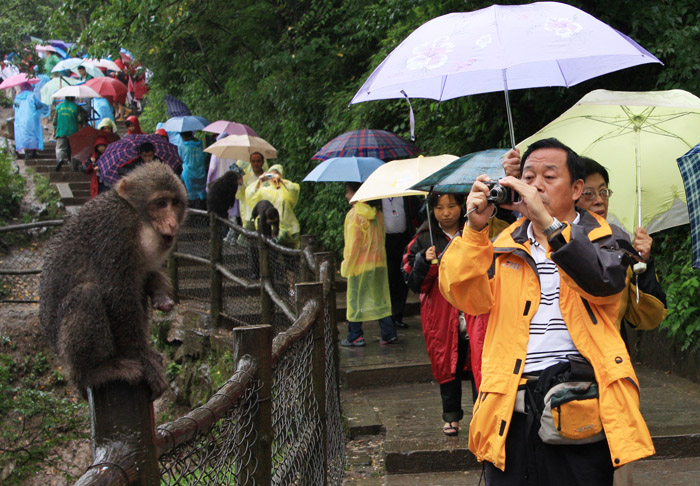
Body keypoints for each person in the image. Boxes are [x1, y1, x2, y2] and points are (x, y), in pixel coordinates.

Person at [439, 138, 654, 485]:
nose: (535, 185)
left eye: (549, 176)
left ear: (576, 189)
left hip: (581, 404)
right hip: (510, 408)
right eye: (528, 175)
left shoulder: (607, 238)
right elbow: (464, 296)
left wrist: (549, 226)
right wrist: (475, 229)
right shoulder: (503, 244)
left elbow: (605, 283)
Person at [402, 192, 475, 436]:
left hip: (474, 308)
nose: (446, 212)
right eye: (440, 207)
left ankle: (483, 415)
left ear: (461, 206)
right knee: (447, 364)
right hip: (441, 313)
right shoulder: (423, 239)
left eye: (452, 206)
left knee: (479, 364)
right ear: (432, 210)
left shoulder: (475, 231)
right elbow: (413, 283)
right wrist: (424, 260)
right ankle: (451, 417)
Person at [341, 182, 397, 347]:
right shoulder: (378, 213)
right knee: (380, 298)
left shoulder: (354, 215)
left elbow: (354, 244)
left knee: (355, 300)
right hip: (378, 263)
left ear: (357, 193)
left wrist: (346, 265)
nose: (346, 195)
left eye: (348, 192)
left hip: (359, 265)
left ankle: (355, 335)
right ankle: (388, 333)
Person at [382, 196, 422, 329]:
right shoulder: (377, 197)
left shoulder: (406, 195)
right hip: (385, 241)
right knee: (388, 277)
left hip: (405, 238)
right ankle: (388, 317)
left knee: (402, 276)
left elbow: (416, 212)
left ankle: (398, 315)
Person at [245, 163, 301, 248]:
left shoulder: (285, 187)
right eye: (271, 174)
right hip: (267, 224)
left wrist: (282, 181)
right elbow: (250, 194)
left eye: (276, 173)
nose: (273, 176)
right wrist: (259, 181)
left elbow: (294, 190)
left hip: (287, 226)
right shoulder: (263, 189)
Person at [13, 82, 47, 159]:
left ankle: (26, 153)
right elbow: (39, 105)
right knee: (33, 134)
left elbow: (15, 107)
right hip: (32, 118)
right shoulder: (32, 96)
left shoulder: (17, 98)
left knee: (23, 135)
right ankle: (34, 152)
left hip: (20, 120)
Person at [237, 151, 268, 229]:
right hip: (249, 214)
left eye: (258, 161)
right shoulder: (246, 177)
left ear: (263, 162)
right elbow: (239, 194)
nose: (256, 164)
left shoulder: (268, 176)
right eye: (253, 161)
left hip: (264, 212)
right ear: (250, 162)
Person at [178, 131, 208, 209]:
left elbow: (181, 157)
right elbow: (204, 157)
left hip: (188, 175)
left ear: (183, 136)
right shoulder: (201, 144)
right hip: (201, 173)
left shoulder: (183, 146)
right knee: (201, 196)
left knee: (190, 198)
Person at [53, 95, 81, 171]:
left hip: (61, 131)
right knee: (74, 150)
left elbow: (55, 121)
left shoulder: (59, 107)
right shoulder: (76, 107)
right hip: (73, 132)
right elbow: (80, 120)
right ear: (73, 98)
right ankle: (74, 166)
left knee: (60, 148)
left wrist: (54, 131)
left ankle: (60, 160)